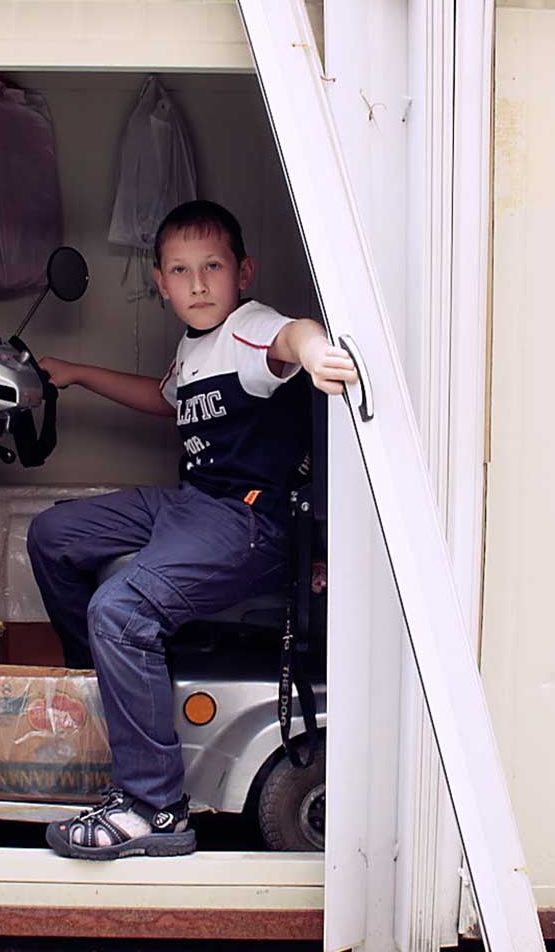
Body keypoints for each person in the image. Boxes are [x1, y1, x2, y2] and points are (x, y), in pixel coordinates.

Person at [27, 199, 356, 860]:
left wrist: (319, 350)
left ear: (243, 272)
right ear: (161, 283)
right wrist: (78, 373)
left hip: (249, 521)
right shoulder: (194, 347)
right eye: (181, 270)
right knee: (53, 535)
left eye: (212, 266)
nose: (198, 283)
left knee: (118, 609)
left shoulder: (249, 329)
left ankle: (155, 807)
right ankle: (109, 690)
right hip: (191, 505)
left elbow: (292, 336)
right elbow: (164, 396)